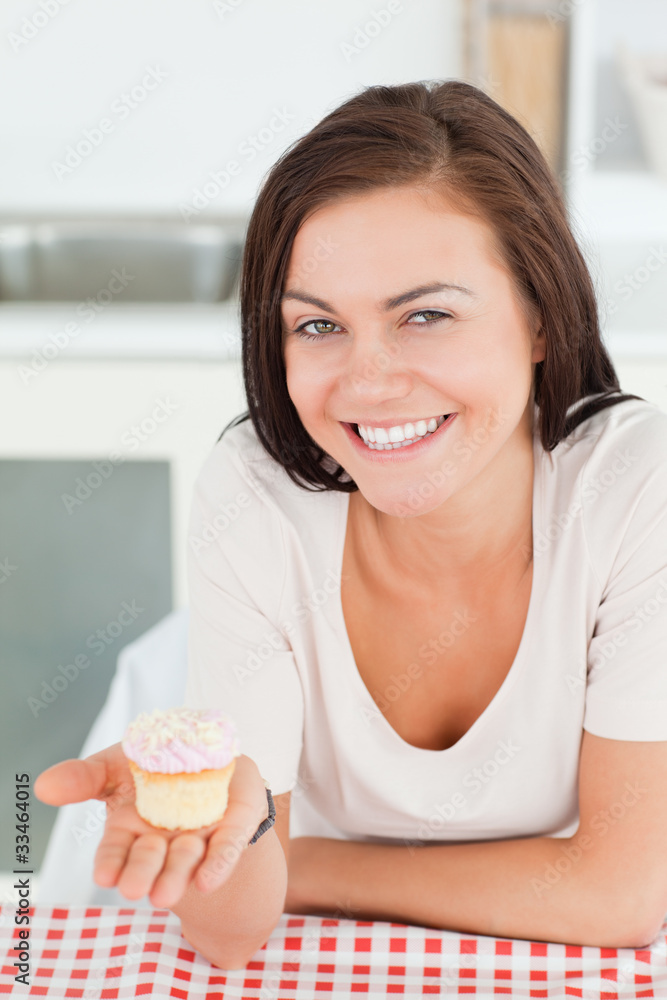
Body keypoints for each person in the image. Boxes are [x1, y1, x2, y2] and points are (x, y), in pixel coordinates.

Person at [35, 79, 667, 969]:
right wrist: (235, 838)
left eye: (426, 315)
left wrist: (311, 862)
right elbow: (233, 936)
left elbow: (621, 895)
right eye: (319, 325)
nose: (367, 384)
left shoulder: (634, 487)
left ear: (537, 315)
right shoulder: (256, 499)